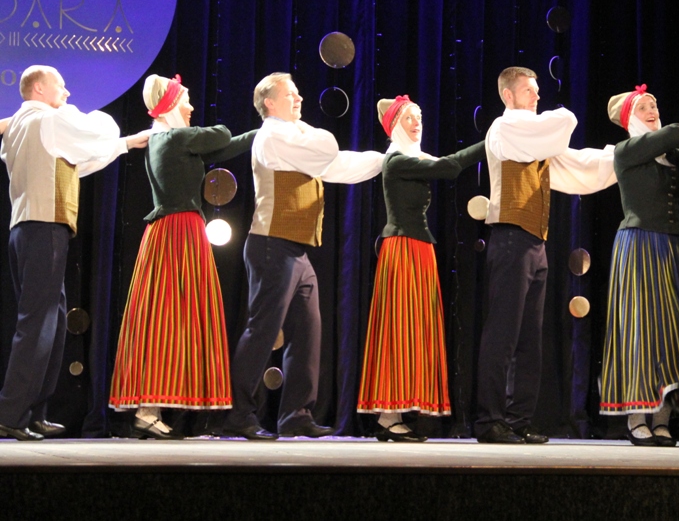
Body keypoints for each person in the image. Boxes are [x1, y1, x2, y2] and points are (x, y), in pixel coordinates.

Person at [220, 73, 384, 440]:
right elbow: (327, 149)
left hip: (295, 249)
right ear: (269, 103)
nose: (299, 99)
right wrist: (309, 131)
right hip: (271, 245)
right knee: (263, 330)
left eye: (297, 93)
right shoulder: (275, 135)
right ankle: (238, 414)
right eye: (290, 94)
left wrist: (383, 161)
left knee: (307, 332)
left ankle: (296, 414)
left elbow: (337, 165)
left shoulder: (295, 137)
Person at [0, 65, 149, 441]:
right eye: (61, 86)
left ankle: (33, 411)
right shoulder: (49, 121)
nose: (67, 93)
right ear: (38, 88)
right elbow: (99, 130)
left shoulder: (21, 126)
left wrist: (125, 144)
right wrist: (110, 132)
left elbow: (76, 161)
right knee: (37, 324)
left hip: (29, 229)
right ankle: (11, 413)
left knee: (51, 322)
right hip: (43, 228)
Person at [108, 74, 256, 438]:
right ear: (171, 104)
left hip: (172, 231)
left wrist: (263, 133)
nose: (191, 107)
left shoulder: (167, 139)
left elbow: (223, 148)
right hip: (178, 232)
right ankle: (147, 410)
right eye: (185, 100)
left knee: (169, 317)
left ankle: (151, 410)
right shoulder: (174, 137)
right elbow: (220, 135)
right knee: (169, 316)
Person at [475, 66, 616, 444]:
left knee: (529, 339)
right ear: (508, 95)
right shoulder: (506, 128)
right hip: (510, 238)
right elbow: (562, 123)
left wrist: (621, 157)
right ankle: (490, 421)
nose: (538, 97)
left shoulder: (535, 141)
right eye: (529, 91)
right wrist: (564, 118)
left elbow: (578, 164)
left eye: (537, 90)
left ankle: (517, 420)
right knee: (503, 334)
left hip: (534, 243)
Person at [357, 96, 484, 441]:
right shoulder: (397, 160)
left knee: (415, 328)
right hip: (402, 248)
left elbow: (442, 163)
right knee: (399, 326)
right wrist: (490, 143)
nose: (417, 123)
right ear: (394, 126)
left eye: (420, 117)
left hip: (418, 248)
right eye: (409, 118)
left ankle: (392, 414)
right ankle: (388, 416)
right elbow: (450, 167)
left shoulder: (413, 158)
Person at [600, 85, 679, 447]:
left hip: (675, 245)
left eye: (655, 104)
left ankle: (662, 418)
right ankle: (636, 417)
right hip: (640, 244)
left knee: (673, 331)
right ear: (630, 117)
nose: (652, 110)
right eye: (644, 106)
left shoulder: (673, 156)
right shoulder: (627, 150)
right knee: (640, 329)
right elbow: (677, 132)